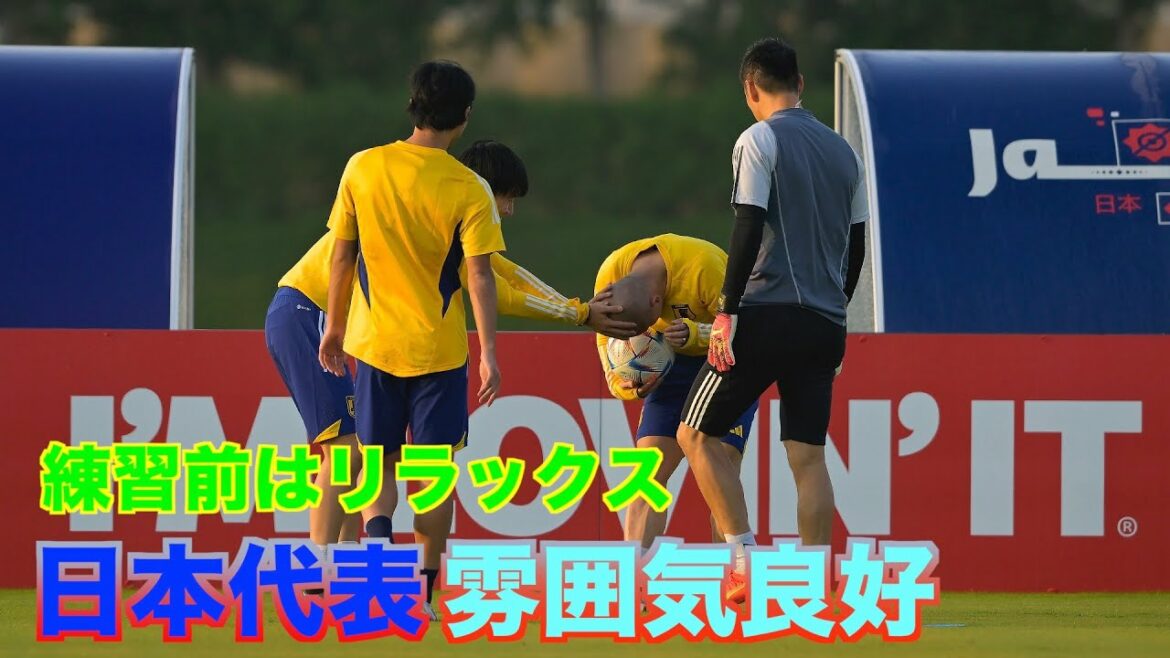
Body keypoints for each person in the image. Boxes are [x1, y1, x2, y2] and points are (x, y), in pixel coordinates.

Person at [674, 38, 868, 603]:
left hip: (764, 312)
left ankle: (744, 558)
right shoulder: (844, 152)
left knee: (695, 434)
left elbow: (748, 226)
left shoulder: (758, 139)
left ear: (750, 90)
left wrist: (727, 311)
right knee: (807, 456)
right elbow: (855, 247)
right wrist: (836, 310)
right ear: (802, 84)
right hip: (825, 322)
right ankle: (816, 582)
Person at [316, 60, 503, 622]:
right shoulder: (470, 188)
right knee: (433, 473)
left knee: (376, 462)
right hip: (440, 353)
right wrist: (491, 352)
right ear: (464, 117)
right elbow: (479, 276)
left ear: (413, 105)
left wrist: (333, 325)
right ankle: (424, 583)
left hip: (374, 345)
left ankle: (376, 549)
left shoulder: (363, 167)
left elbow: (342, 254)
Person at [591, 234, 760, 552]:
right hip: (667, 363)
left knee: (720, 468)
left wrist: (697, 333)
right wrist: (623, 383)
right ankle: (634, 581)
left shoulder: (705, 267)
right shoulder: (611, 271)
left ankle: (732, 580)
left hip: (726, 364)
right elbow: (605, 338)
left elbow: (751, 333)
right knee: (647, 471)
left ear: (658, 303)